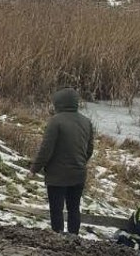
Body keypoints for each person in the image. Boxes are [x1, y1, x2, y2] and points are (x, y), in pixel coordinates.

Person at [30, 86, 94, 233]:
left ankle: (57, 237)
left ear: (59, 103)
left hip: (57, 175)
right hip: (78, 173)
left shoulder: (55, 121)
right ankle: (73, 238)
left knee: (56, 209)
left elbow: (46, 149)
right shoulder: (86, 121)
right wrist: (81, 162)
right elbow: (90, 149)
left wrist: (35, 168)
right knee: (74, 208)